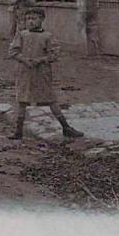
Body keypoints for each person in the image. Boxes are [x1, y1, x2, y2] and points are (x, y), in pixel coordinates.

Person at [7, 7, 84, 140]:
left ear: (42, 19)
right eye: (28, 19)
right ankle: (18, 131)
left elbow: (54, 53)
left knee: (50, 99)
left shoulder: (47, 36)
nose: (30, 22)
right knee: (22, 100)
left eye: (34, 18)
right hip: (25, 72)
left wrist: (40, 60)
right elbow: (13, 52)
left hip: (41, 72)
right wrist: (25, 60)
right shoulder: (21, 35)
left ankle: (66, 127)